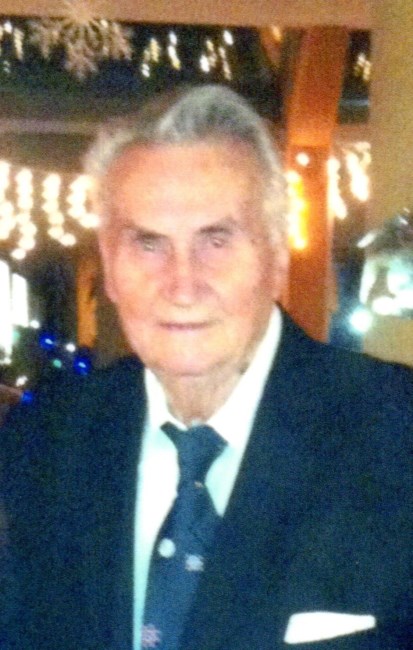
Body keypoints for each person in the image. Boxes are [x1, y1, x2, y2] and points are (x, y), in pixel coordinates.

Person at [1, 84, 412, 650]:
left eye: (216, 240)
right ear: (110, 266)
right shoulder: (44, 442)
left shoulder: (397, 437)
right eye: (148, 244)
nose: (182, 284)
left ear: (276, 254)